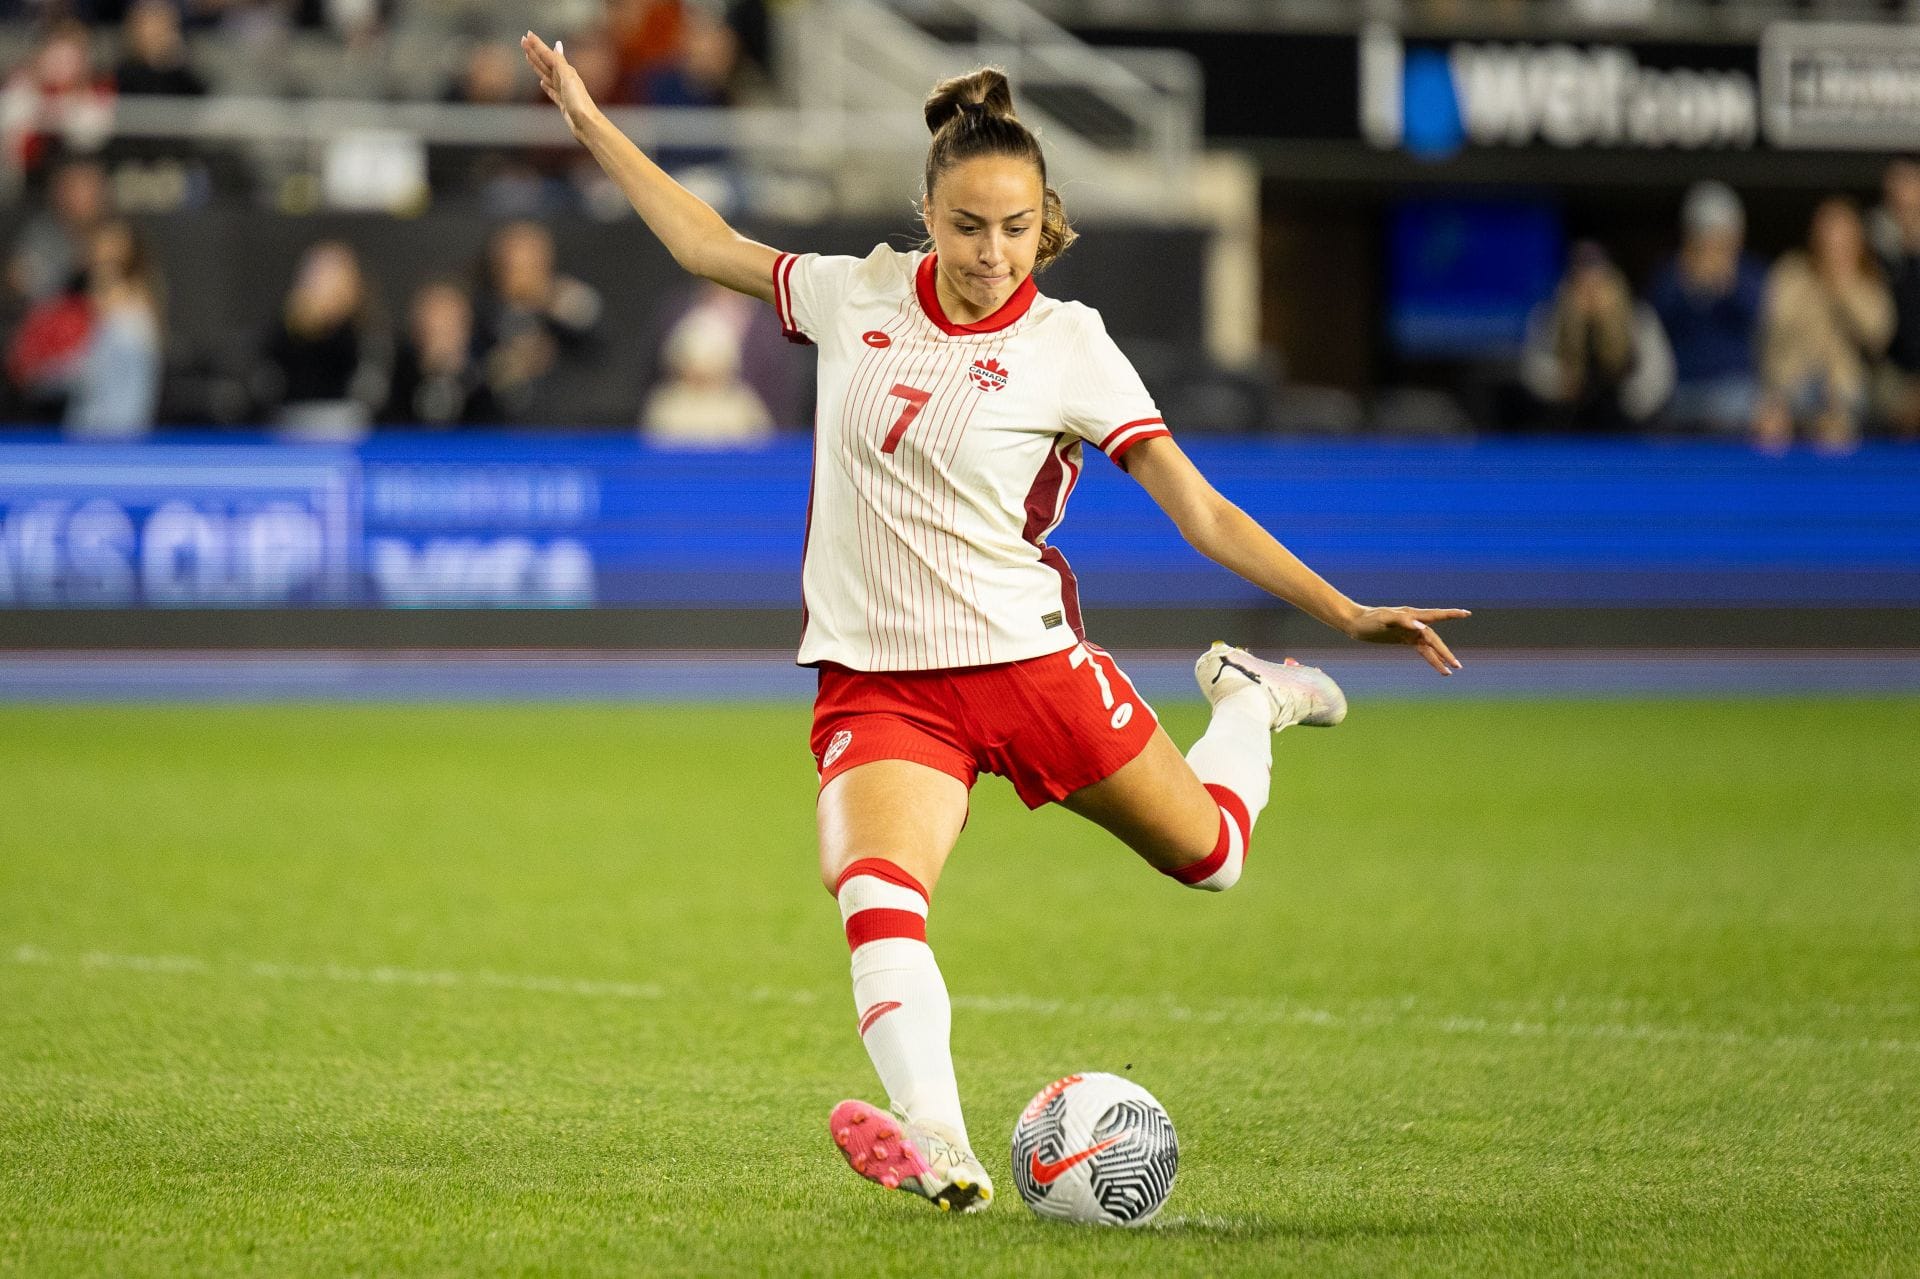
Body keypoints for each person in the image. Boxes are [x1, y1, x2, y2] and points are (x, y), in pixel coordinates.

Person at [524, 33, 1469, 1214]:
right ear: (926, 211)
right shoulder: (855, 291)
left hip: (1029, 669)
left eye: (1016, 228)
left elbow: (1201, 508)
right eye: (968, 225)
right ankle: (943, 1142)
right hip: (881, 683)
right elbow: (703, 239)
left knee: (1215, 859)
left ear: (1046, 223)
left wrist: (1341, 611)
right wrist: (587, 119)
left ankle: (1250, 695)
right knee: (874, 887)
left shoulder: (1068, 344)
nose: (991, 252)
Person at [1759, 197, 1894, 454]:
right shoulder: (1792, 271)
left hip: (1843, 391)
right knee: (1769, 431)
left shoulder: (1869, 281)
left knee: (1835, 434)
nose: (1833, 239)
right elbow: (1775, 323)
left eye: (1841, 231)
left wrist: (1841, 286)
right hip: (1788, 385)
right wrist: (1817, 284)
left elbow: (1878, 336)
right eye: (1827, 230)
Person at [1648, 180, 1768, 435]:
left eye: (1720, 234)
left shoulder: (1749, 273)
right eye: (1704, 234)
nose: (1712, 243)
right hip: (1682, 389)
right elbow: (1656, 317)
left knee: (1751, 410)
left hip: (1735, 390)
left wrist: (1726, 282)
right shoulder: (1672, 274)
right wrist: (1689, 280)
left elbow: (1759, 316)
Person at [1519, 240, 1673, 432]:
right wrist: (1562, 384)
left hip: (1629, 427)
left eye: (1598, 285)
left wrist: (1628, 399)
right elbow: (1533, 370)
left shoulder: (1638, 319)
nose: (1591, 294)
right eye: (1583, 286)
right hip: (1565, 423)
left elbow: (1657, 376)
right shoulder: (1550, 319)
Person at [252, 239, 389, 439]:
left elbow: (368, 389)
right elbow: (272, 385)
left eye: (334, 274)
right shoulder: (284, 332)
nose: (325, 284)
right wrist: (303, 327)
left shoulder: (365, 332)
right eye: (318, 274)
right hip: (290, 430)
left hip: (349, 431)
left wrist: (335, 322)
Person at [65, 218, 162, 438]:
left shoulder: (134, 316)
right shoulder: (80, 305)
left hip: (120, 426)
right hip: (87, 422)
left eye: (112, 254)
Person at [1870, 158, 1920, 440]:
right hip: (1891, 370)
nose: (1902, 193)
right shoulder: (1874, 245)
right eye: (1895, 185)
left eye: (1909, 183)